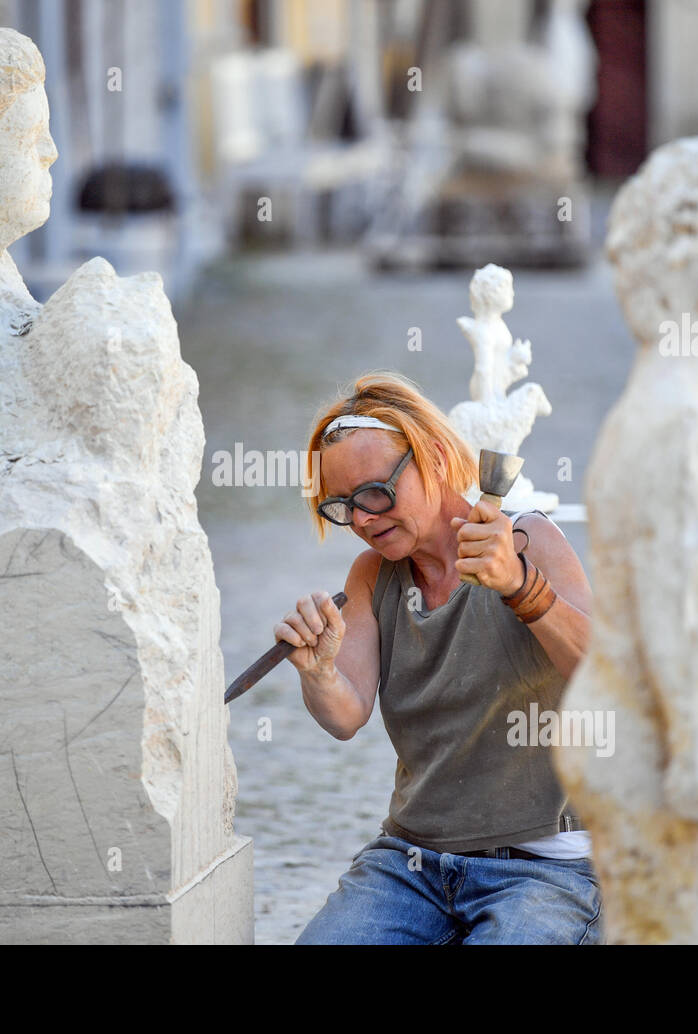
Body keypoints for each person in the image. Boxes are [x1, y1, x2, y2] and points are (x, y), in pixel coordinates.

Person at [285, 370, 601, 944]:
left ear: (430, 455)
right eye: (341, 506)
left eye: (375, 494)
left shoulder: (528, 540)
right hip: (412, 863)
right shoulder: (373, 575)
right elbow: (345, 715)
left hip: (545, 868)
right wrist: (319, 671)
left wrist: (520, 585)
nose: (361, 519)